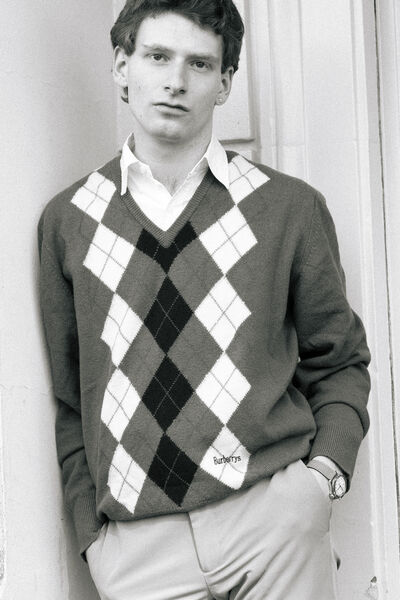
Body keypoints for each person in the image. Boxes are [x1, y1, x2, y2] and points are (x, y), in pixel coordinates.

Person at [37, 1, 371, 598]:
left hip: (273, 522)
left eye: (199, 63)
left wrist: (323, 479)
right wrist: (93, 537)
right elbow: (71, 396)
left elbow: (340, 360)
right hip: (138, 550)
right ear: (121, 66)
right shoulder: (69, 221)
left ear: (225, 83)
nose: (175, 80)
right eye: (157, 56)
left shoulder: (288, 208)